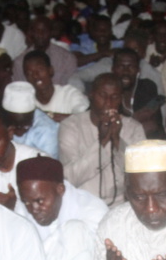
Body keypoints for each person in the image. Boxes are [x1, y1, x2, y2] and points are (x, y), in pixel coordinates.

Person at [15, 155, 107, 260]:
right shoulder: (22, 209)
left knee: (75, 230)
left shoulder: (93, 211)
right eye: (26, 202)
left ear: (60, 189)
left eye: (39, 201)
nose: (33, 209)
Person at [59, 73, 146, 205]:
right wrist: (102, 142)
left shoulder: (134, 128)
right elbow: (69, 178)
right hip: (82, 203)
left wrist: (117, 140)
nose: (108, 103)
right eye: (102, 96)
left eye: (115, 97)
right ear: (91, 95)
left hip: (123, 203)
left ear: (121, 99)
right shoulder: (71, 126)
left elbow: (141, 174)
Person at [24, 50, 91, 122]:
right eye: (29, 73)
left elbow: (84, 118)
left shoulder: (69, 94)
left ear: (51, 70)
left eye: (40, 69)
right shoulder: (25, 100)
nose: (35, 76)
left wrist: (47, 116)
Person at [12, 15, 78, 85]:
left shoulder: (66, 58)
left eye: (44, 31)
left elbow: (73, 86)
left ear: (51, 32)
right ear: (31, 33)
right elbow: (19, 88)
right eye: (37, 31)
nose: (40, 35)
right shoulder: (20, 62)